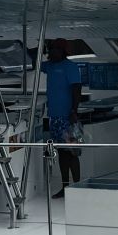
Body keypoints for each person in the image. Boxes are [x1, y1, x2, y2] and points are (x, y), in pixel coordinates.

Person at [40, 39, 84, 197]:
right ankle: (65, 187)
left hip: (67, 117)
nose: (50, 52)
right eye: (50, 49)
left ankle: (78, 187)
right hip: (54, 117)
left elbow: (77, 89)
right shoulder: (49, 66)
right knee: (62, 153)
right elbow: (35, 63)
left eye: (53, 49)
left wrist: (74, 110)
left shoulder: (71, 67)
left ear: (62, 51)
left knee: (72, 152)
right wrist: (37, 48)